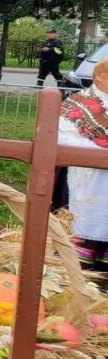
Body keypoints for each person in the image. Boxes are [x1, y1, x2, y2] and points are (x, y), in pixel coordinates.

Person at [59, 58, 108, 271]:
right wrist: (100, 152)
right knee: (87, 228)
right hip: (88, 178)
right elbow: (62, 137)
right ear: (99, 75)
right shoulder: (77, 103)